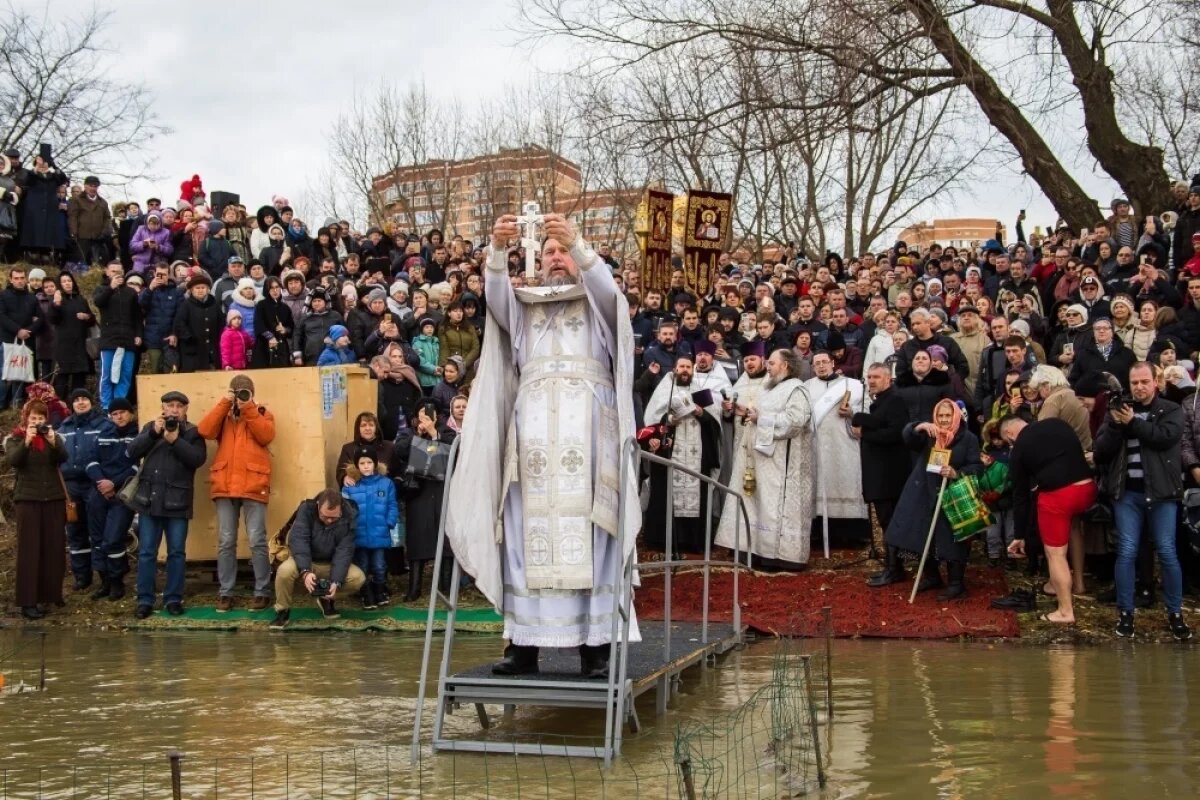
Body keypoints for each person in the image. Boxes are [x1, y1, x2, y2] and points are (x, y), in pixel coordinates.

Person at [445, 213, 638, 679]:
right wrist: (496, 250)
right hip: (530, 445)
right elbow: (495, 299)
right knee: (521, 535)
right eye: (549, 252)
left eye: (563, 252)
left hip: (589, 443)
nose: (556, 258)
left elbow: (611, 296)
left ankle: (595, 649)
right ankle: (523, 647)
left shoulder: (597, 303)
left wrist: (579, 246)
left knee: (593, 534)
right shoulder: (524, 308)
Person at [1093, 362, 1192, 640]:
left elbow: (1164, 438)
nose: (1139, 387)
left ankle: (1175, 613)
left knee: (1167, 551)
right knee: (1126, 550)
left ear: (1156, 382)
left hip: (1162, 492)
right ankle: (1126, 613)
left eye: (1144, 381)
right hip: (1127, 492)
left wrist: (1132, 422)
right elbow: (1101, 451)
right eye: (1134, 382)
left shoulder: (1170, 409)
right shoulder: (1118, 410)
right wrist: (1116, 425)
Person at [714, 348, 814, 569]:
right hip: (762, 459)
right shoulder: (770, 388)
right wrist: (746, 413)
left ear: (785, 365)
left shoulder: (796, 389)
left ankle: (778, 555)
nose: (767, 367)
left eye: (772, 363)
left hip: (782, 463)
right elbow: (759, 414)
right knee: (757, 504)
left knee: (772, 508)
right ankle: (756, 550)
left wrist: (762, 418)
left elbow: (796, 421)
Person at [1001, 416, 1097, 625]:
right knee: (1074, 528)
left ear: (1009, 433)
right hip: (1087, 487)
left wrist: (1019, 535)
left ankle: (1065, 611)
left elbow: (1020, 495)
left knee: (1055, 553)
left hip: (1059, 496)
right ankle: (1078, 584)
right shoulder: (1057, 423)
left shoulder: (1019, 448)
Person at [884, 398, 982, 601]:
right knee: (923, 534)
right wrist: (917, 426)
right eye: (940, 415)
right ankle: (932, 576)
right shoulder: (929, 435)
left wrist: (956, 472)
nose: (944, 420)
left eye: (948, 415)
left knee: (954, 539)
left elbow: (977, 466)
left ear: (956, 416)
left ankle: (956, 583)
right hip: (924, 491)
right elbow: (908, 439)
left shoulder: (968, 438)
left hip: (953, 494)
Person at [196, 375, 276, 612]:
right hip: (225, 485)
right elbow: (204, 430)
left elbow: (266, 436)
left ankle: (262, 591)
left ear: (252, 394)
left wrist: (248, 407)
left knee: (257, 540)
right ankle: (225, 592)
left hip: (253, 484)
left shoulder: (262, 413)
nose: (241, 396)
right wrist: (225, 402)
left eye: (245, 392)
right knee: (226, 541)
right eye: (237, 392)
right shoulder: (224, 416)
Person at [128, 390, 208, 619]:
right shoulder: (150, 427)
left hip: (177, 503)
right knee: (146, 553)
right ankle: (145, 600)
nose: (174, 410)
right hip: (149, 501)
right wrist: (153, 433)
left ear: (185, 409)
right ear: (163, 408)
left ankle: (173, 599)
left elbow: (197, 459)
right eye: (170, 405)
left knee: (176, 553)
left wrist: (176, 441)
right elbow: (131, 451)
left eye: (179, 406)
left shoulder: (193, 432)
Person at [641, 353, 723, 555]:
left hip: (697, 456)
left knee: (698, 494)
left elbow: (714, 424)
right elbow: (651, 419)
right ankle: (664, 540)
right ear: (675, 370)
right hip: (670, 453)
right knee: (666, 494)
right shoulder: (665, 390)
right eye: (681, 367)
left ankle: (694, 541)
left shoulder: (701, 392)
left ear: (692, 370)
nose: (685, 370)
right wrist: (668, 419)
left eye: (688, 367)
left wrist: (701, 413)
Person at [2, 400, 67, 619]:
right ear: (26, 419)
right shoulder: (15, 438)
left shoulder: (52, 437)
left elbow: (64, 458)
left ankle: (51, 595)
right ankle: (28, 601)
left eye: (41, 418)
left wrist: (53, 441)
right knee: (29, 551)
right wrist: (27, 441)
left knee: (53, 548)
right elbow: (14, 461)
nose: (37, 422)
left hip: (53, 497)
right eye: (33, 418)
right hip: (28, 499)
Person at [270, 490, 366, 629]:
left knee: (358, 578)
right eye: (325, 516)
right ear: (318, 506)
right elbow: (299, 540)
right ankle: (282, 610)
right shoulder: (306, 510)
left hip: (331, 563)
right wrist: (305, 570)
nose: (329, 521)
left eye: (334, 518)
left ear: (341, 509)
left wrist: (336, 581)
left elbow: (344, 551)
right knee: (284, 571)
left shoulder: (350, 515)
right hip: (306, 560)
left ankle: (325, 597)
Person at [855, 363, 914, 586]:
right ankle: (893, 567)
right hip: (880, 475)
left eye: (876, 377)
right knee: (886, 522)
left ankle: (894, 569)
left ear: (888, 379)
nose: (871, 381)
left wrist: (865, 433)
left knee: (890, 523)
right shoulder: (880, 402)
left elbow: (896, 434)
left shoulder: (895, 401)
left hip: (889, 476)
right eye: (869, 377)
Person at [399, 402, 456, 601]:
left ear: (437, 416)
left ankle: (446, 587)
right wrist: (419, 434)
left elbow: (455, 453)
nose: (426, 417)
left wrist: (434, 434)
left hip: (441, 491)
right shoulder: (408, 433)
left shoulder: (446, 432)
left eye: (429, 414)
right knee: (418, 539)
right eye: (422, 413)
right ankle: (414, 588)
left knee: (444, 539)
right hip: (418, 492)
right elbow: (400, 451)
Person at [86, 397, 138, 601]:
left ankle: (117, 581)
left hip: (122, 494)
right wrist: (101, 482)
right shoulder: (103, 433)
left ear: (130, 413)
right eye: (114, 414)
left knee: (114, 538)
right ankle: (104, 582)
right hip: (98, 493)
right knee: (97, 539)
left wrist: (113, 484)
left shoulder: (138, 435)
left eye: (122, 412)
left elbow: (136, 467)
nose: (119, 417)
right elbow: (91, 461)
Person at [56, 389, 107, 591]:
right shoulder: (63, 427)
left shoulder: (103, 425)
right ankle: (82, 576)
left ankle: (104, 575)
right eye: (76, 400)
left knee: (97, 530)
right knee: (75, 531)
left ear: (91, 402)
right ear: (71, 405)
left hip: (94, 484)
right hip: (71, 486)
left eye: (84, 399)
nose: (81, 402)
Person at [341, 446, 398, 609]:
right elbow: (344, 510)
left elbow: (392, 505)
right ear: (357, 465)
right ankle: (366, 594)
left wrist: (389, 522)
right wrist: (350, 527)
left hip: (380, 534)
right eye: (362, 463)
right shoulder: (350, 486)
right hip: (359, 535)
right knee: (363, 566)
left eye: (369, 462)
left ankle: (380, 591)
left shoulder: (386, 483)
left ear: (375, 463)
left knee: (379, 566)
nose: (366, 466)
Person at [47, 273, 94, 403]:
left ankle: (77, 407)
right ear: (59, 284)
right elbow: (52, 319)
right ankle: (59, 409)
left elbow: (92, 320)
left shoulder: (81, 299)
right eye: (64, 281)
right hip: (63, 346)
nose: (67, 283)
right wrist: (56, 305)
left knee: (79, 381)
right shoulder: (57, 300)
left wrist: (87, 317)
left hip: (80, 345)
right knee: (61, 381)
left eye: (69, 280)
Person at [0, 267, 42, 409]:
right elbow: (2, 316)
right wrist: (17, 330)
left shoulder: (32, 298)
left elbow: (40, 318)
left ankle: (15, 404)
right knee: (3, 373)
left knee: (19, 372)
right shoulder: (3, 295)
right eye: (16, 278)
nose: (19, 281)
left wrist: (29, 330)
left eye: (22, 278)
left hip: (26, 340)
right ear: (10, 280)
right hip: (7, 340)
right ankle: (1, 404)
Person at [173, 273, 224, 372]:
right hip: (193, 351)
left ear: (208, 289)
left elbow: (221, 322)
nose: (200, 290)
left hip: (212, 350)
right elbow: (179, 324)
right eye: (197, 288)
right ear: (192, 290)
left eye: (203, 287)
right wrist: (189, 337)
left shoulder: (214, 304)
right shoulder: (186, 305)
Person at [68, 175, 112, 266]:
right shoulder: (77, 200)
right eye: (90, 186)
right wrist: (74, 233)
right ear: (85, 186)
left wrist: (104, 232)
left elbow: (107, 218)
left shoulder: (103, 202)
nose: (93, 188)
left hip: (98, 238)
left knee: (98, 263)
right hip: (82, 237)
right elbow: (73, 217)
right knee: (81, 262)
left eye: (95, 186)